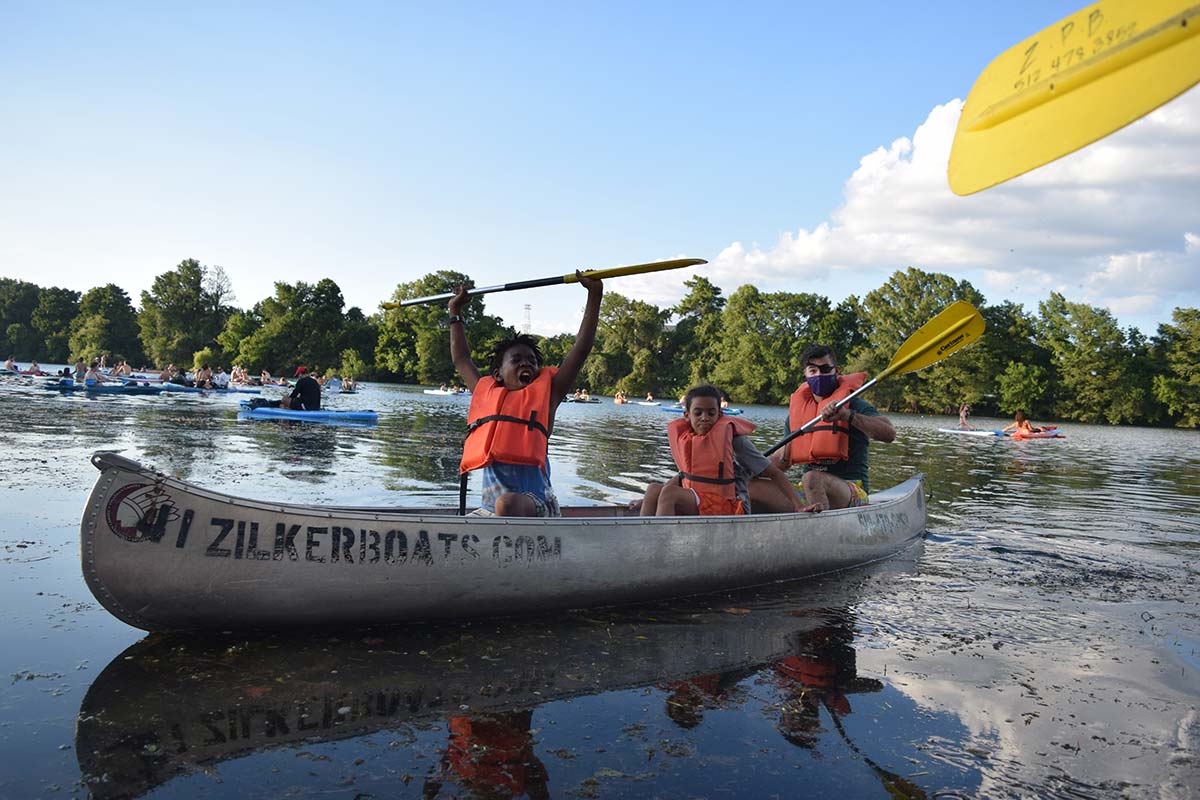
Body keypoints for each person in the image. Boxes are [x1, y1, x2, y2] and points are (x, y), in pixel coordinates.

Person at [450, 273, 602, 517]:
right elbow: (461, 358)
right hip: (492, 511)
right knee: (485, 513)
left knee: (506, 504)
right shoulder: (485, 391)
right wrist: (455, 311)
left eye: (532, 361)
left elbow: (581, 349)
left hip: (539, 506)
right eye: (517, 360)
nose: (527, 365)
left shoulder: (548, 396)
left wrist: (594, 295)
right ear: (498, 374)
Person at [754, 344, 895, 513]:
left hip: (852, 491)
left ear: (836, 370)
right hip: (809, 491)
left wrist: (847, 415)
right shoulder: (797, 415)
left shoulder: (854, 404)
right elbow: (781, 460)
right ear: (805, 374)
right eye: (813, 371)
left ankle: (820, 532)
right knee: (747, 484)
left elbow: (889, 434)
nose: (819, 375)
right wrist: (749, 469)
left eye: (826, 369)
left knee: (812, 478)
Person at [641, 385, 802, 516]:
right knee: (653, 489)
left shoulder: (735, 440)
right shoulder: (687, 438)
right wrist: (647, 501)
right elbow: (683, 475)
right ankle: (642, 541)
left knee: (670, 494)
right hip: (699, 500)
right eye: (698, 413)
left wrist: (798, 506)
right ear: (687, 415)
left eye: (711, 413)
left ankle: (661, 546)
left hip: (731, 506)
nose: (705, 418)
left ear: (720, 414)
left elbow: (775, 473)